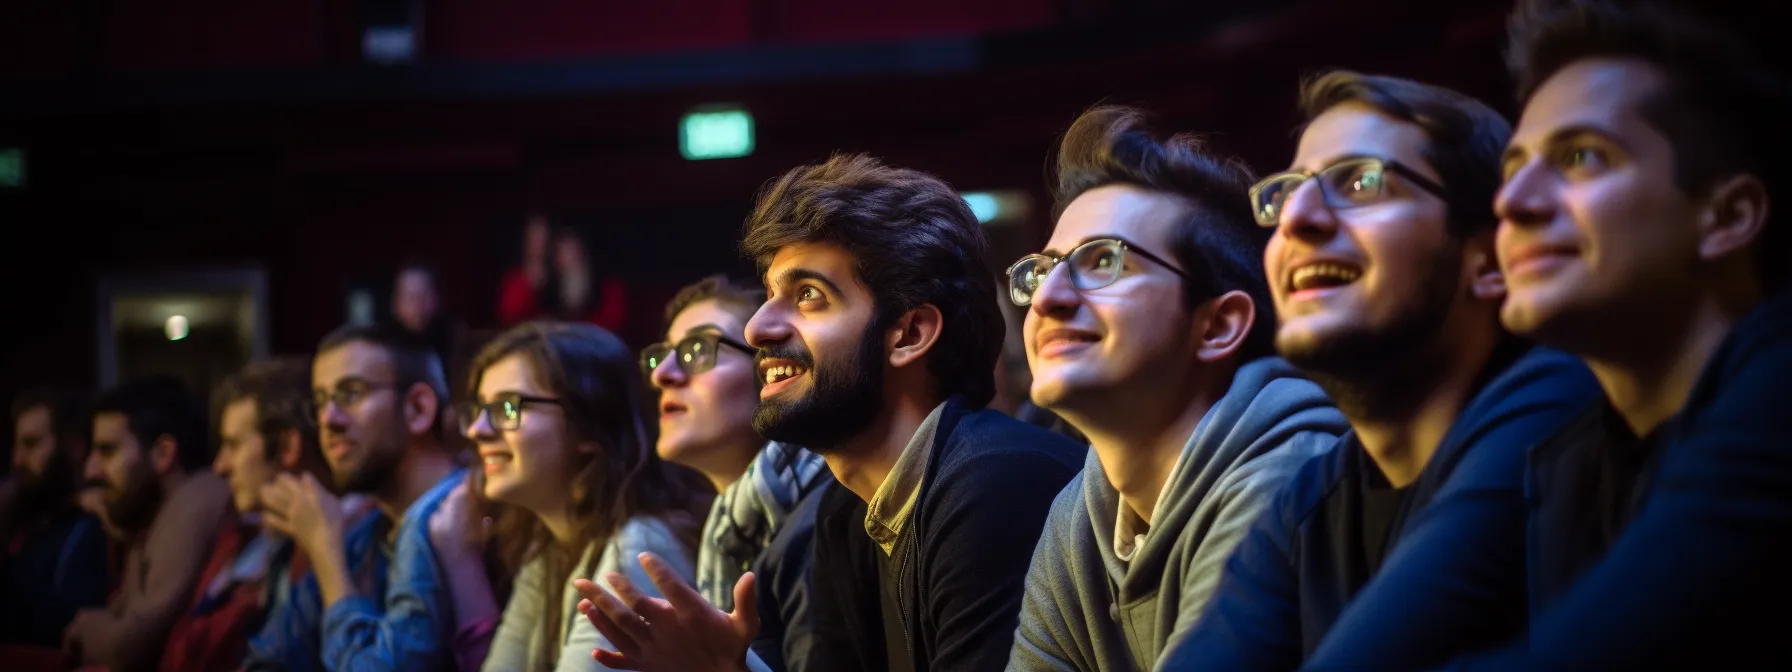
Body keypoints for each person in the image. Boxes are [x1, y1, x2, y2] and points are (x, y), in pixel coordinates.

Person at [574, 153, 1087, 672]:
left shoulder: (996, 485)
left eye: (808, 296)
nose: (756, 329)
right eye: (771, 294)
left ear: (908, 334)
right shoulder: (847, 512)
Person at [1161, 71, 1600, 670]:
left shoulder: (1556, 412)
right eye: (1287, 194)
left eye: (1362, 182)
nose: (1298, 220)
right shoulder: (1310, 503)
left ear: (1490, 259)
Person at [1440, 1, 1792, 667]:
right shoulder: (1570, 462)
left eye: (1580, 157)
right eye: (1513, 170)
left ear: (1728, 216)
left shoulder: (1779, 388)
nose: (1511, 203)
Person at [1005, 105, 1349, 671]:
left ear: (1217, 325)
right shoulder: (1080, 513)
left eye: (1103, 261)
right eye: (1042, 271)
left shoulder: (1290, 474)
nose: (1047, 299)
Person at [454, 321, 712, 672]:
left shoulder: (639, 547)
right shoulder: (547, 550)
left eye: (507, 408)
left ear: (588, 424)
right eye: (480, 410)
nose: (477, 430)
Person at [245, 324, 470, 671]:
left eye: (350, 393)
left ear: (418, 409)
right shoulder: (366, 532)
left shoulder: (450, 519)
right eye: (320, 402)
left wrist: (326, 555)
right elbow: (267, 659)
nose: (327, 420)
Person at [644, 275, 832, 670]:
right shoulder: (728, 531)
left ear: (771, 369)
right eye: (662, 355)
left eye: (698, 349)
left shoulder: (827, 514)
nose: (662, 374)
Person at [158, 357, 342, 672]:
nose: (220, 466)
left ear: (287, 447)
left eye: (233, 445)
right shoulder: (253, 541)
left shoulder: (343, 542)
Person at [64, 377, 233, 671]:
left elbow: (129, 644)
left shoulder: (199, 498)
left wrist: (85, 627)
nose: (91, 469)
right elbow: (121, 614)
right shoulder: (152, 516)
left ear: (164, 453)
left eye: (107, 451)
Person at [0, 387, 109, 651]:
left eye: (31, 444)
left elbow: (56, 630)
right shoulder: (25, 518)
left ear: (73, 448)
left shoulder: (90, 526)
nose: (17, 460)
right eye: (16, 445)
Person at [499, 214, 554, 329]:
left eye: (544, 237)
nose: (540, 243)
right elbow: (508, 316)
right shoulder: (515, 279)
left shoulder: (556, 277)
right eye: (535, 237)